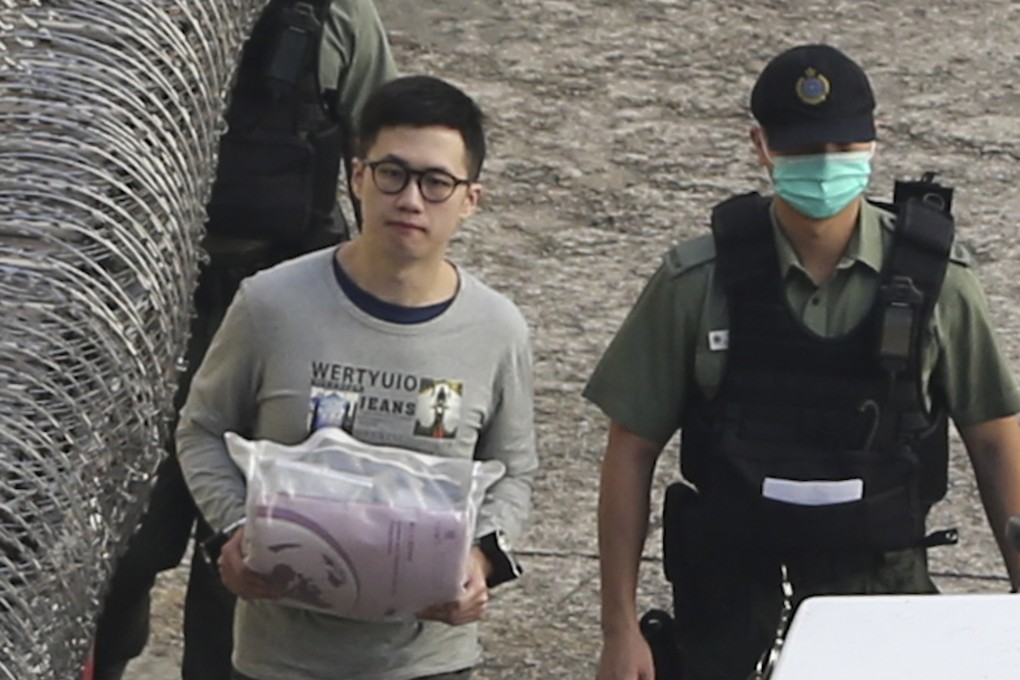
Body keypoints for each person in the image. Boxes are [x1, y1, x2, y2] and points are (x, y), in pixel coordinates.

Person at [584, 43, 1020, 680]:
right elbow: (630, 451)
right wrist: (618, 628)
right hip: (730, 608)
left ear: (871, 145)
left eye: (842, 148)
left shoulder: (938, 284)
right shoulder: (695, 282)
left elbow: (997, 444)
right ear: (761, 147)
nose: (823, 165)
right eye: (802, 148)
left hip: (882, 611)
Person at [176, 74, 538, 680]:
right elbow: (201, 431)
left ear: (470, 199)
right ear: (356, 176)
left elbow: (515, 468)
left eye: (437, 182)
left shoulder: (498, 330)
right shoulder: (270, 306)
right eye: (391, 173)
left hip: (427, 661)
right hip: (281, 661)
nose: (411, 200)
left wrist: (481, 557)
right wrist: (234, 530)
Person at [91, 2, 397, 678]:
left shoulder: (334, 15)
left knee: (249, 545)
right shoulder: (117, 17)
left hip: (278, 310)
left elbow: (386, 145)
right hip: (137, 307)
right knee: (112, 548)